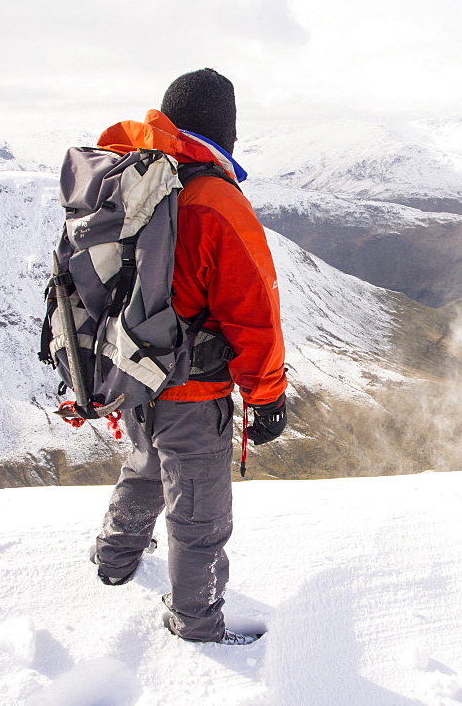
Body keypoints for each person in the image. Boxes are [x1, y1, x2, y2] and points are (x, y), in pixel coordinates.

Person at [90, 68, 288, 645]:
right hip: (192, 394)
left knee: (146, 464)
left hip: (132, 374)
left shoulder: (132, 180)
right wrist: (267, 394)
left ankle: (114, 559)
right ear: (224, 129)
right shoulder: (213, 200)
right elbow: (254, 313)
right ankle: (197, 628)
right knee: (199, 517)